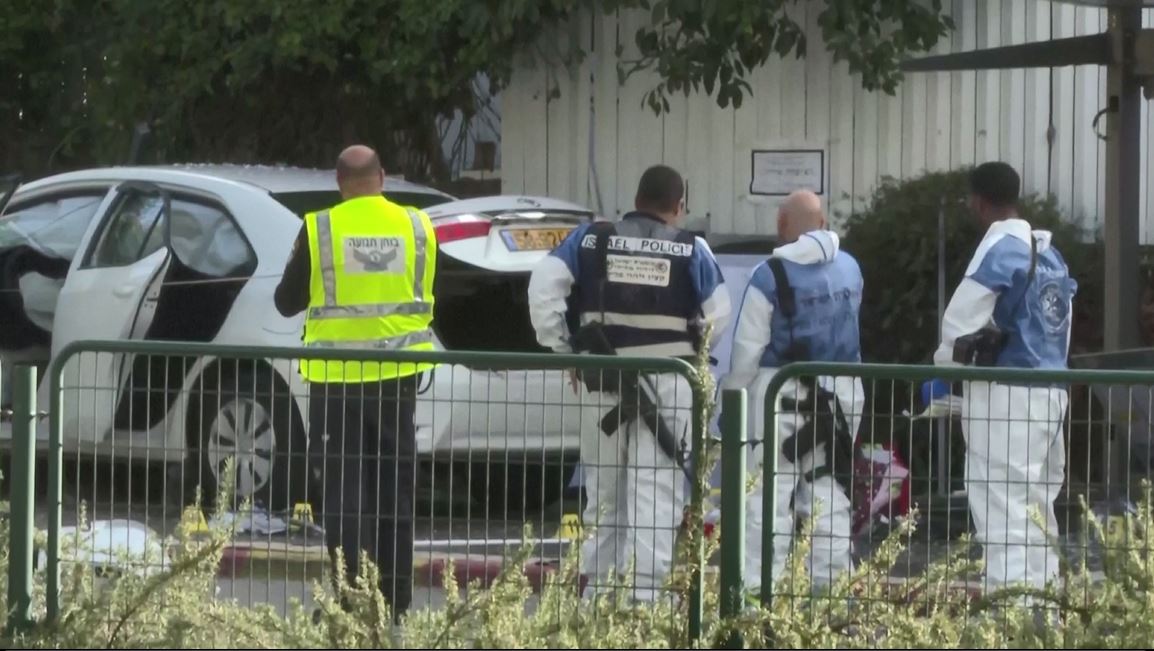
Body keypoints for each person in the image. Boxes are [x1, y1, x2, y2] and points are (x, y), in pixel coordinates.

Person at [527, 164, 730, 601]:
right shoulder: (691, 248)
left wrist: (566, 351)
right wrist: (692, 338)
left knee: (602, 494)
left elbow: (543, 287)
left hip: (602, 382)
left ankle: (597, 602)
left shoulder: (591, 239)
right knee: (655, 495)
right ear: (679, 207)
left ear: (635, 199)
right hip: (671, 383)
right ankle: (643, 604)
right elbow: (719, 310)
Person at [273, 145, 437, 620]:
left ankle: (349, 600)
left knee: (345, 494)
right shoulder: (418, 226)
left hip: (337, 378)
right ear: (382, 177)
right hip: (397, 380)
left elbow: (287, 301)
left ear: (339, 183)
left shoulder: (321, 227)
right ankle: (396, 605)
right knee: (395, 494)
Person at [930, 161, 1076, 595]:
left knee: (1002, 511)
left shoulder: (998, 250)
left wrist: (943, 375)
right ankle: (1044, 615)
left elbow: (958, 325)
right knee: (1036, 510)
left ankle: (1007, 624)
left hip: (1005, 400)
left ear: (977, 202)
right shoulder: (1049, 252)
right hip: (1052, 395)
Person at [723, 190, 865, 594]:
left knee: (769, 494)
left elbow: (747, 351)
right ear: (823, 224)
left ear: (781, 226)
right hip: (842, 395)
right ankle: (831, 593)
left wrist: (731, 401)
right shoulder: (851, 268)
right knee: (830, 489)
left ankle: (758, 592)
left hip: (779, 397)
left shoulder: (769, 275)